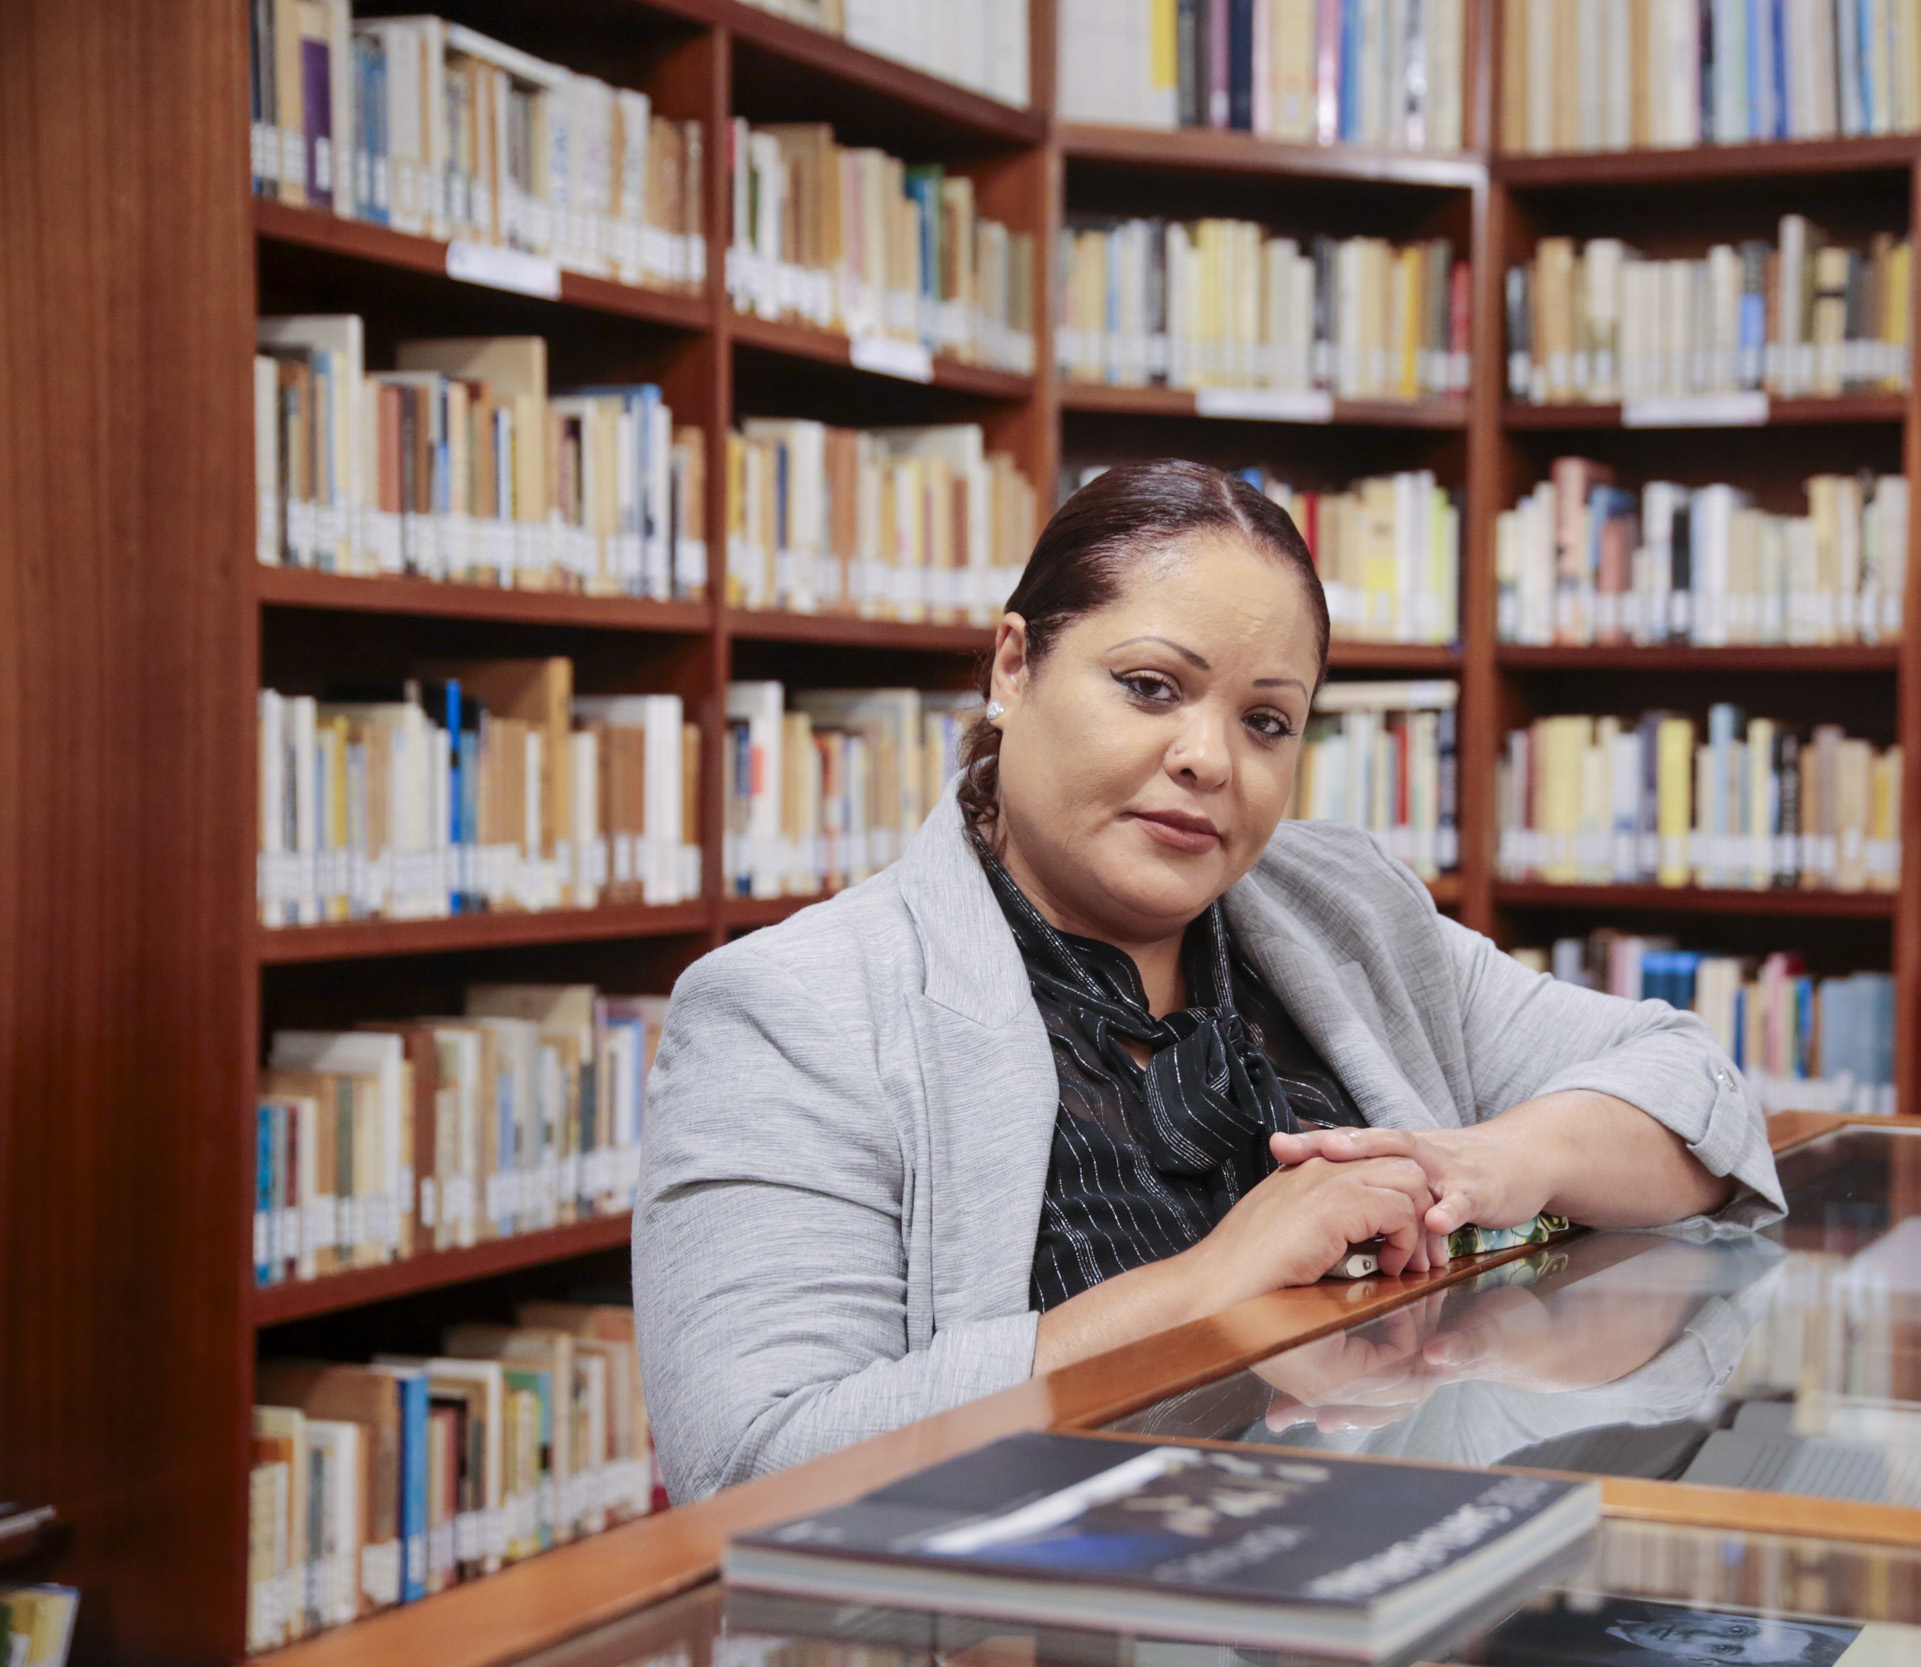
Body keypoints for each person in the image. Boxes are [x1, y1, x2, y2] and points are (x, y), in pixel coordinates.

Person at [635, 460, 1785, 1503]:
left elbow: (1698, 1093)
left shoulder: (1342, 910)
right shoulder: (793, 1006)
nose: (1209, 758)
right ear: (1014, 664)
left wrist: (1472, 1161)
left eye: (1267, 720)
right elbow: (748, 1466)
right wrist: (1209, 1286)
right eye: (1148, 685)